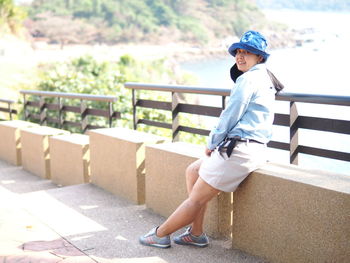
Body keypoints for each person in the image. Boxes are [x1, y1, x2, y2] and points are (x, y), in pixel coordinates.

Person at [139, 30, 283, 248]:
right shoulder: (264, 77)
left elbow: (231, 114)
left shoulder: (249, 79)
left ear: (259, 57)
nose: (240, 57)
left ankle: (160, 234)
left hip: (241, 149)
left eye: (247, 53)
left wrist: (212, 143)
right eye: (238, 52)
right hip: (247, 148)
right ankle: (196, 233)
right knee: (193, 171)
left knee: (195, 200)